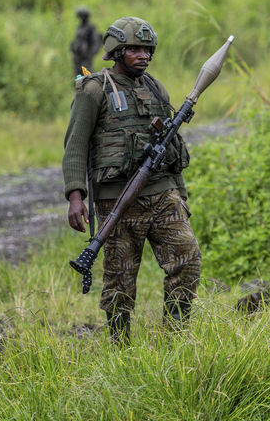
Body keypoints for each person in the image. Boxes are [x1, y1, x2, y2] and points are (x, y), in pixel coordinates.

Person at [62, 17, 202, 343]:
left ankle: (175, 337)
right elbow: (75, 145)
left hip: (163, 192)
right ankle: (121, 348)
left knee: (188, 260)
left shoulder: (154, 87)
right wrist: (75, 195)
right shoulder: (94, 89)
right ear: (117, 50)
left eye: (148, 49)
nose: (144, 56)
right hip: (117, 199)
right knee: (120, 280)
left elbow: (171, 144)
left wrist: (180, 193)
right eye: (135, 49)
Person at [70, 7, 102, 76]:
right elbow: (77, 39)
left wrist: (90, 54)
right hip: (77, 55)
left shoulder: (91, 27)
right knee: (78, 75)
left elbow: (95, 41)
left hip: (86, 56)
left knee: (86, 74)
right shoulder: (79, 27)